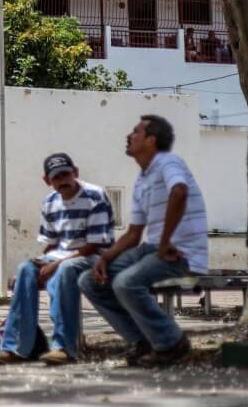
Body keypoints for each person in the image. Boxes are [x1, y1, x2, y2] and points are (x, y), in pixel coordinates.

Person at [79, 115, 208, 368]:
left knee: (126, 283)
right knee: (89, 280)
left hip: (181, 253)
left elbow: (179, 191)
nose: (129, 136)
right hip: (153, 248)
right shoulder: (142, 179)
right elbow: (133, 234)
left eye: (136, 132)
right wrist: (105, 258)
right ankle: (143, 342)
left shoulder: (169, 162)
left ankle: (172, 344)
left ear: (151, 140)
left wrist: (165, 240)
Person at [0, 153, 115, 366]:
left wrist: (55, 264)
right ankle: (15, 348)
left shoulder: (95, 196)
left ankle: (63, 347)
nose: (63, 180)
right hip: (60, 257)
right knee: (25, 270)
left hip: (94, 257)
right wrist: (40, 263)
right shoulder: (50, 202)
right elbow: (52, 244)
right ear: (47, 180)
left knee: (63, 272)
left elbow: (94, 244)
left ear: (75, 172)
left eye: (66, 174)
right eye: (57, 177)